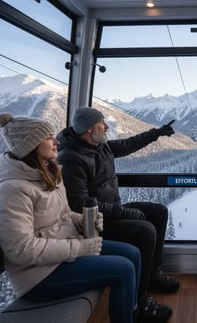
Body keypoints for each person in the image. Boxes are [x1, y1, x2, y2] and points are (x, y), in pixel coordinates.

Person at [0, 113, 141, 323]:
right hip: (39, 276)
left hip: (63, 253)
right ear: (31, 145)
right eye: (49, 137)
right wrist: (79, 248)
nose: (56, 140)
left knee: (132, 253)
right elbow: (21, 250)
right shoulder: (13, 189)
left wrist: (83, 220)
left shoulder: (48, 173)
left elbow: (64, 214)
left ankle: (131, 311)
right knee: (123, 269)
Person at [57, 107, 179, 322]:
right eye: (102, 123)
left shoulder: (100, 145)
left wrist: (156, 133)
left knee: (158, 212)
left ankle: (151, 274)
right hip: (94, 224)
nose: (107, 127)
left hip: (113, 211)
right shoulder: (71, 158)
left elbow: (128, 144)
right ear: (88, 129)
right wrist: (124, 212)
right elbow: (80, 206)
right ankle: (139, 303)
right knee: (145, 231)